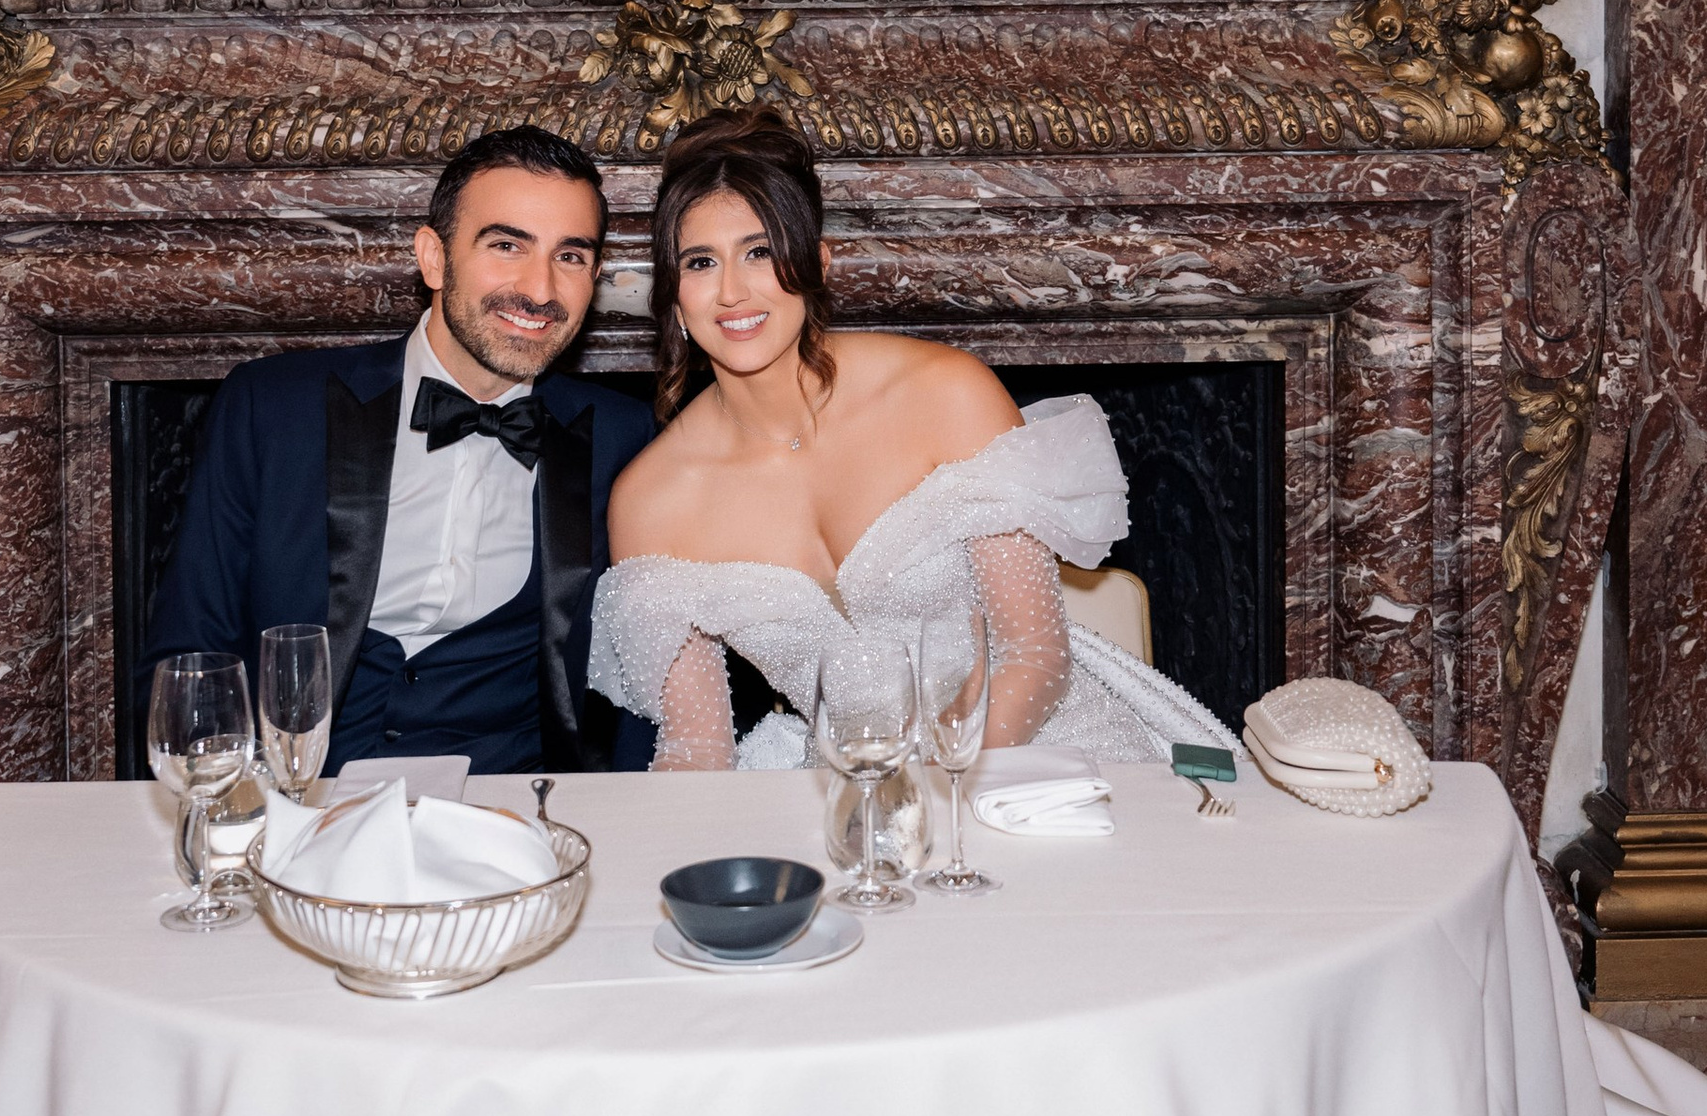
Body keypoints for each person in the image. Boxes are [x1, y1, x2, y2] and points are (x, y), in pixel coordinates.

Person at [586, 106, 1229, 767]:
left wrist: (924, 799)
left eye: (761, 252)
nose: (732, 291)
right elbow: (697, 746)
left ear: (818, 263)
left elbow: (1035, 657)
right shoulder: (651, 500)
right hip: (844, 789)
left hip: (1035, 755)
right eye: (700, 262)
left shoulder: (946, 394)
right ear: (674, 297)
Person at [148, 127, 654, 776]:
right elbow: (190, 655)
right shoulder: (271, 411)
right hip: (303, 820)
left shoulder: (624, 437)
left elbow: (648, 686)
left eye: (571, 256)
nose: (540, 288)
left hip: (519, 830)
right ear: (434, 257)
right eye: (506, 245)